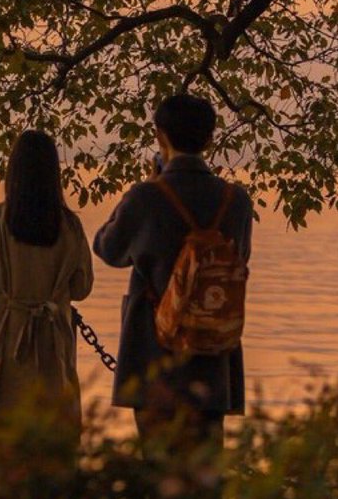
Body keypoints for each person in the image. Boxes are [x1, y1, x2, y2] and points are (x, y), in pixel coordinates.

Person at [93, 94, 253, 452]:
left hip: (154, 351)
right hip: (214, 351)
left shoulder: (146, 196)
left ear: (160, 136)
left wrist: (144, 188)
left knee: (157, 467)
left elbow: (108, 249)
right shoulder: (236, 200)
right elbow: (241, 259)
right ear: (210, 139)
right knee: (206, 474)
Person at [0, 130, 94, 499]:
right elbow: (83, 285)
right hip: (52, 353)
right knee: (51, 457)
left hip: (2, 352)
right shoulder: (69, 225)